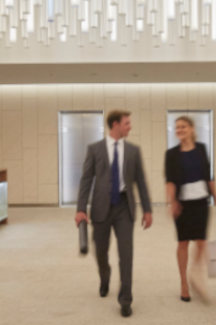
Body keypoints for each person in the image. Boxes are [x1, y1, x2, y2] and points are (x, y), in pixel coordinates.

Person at [75, 110, 153, 318]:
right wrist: (81, 209)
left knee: (126, 255)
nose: (130, 127)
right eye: (127, 123)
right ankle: (105, 275)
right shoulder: (95, 149)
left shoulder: (133, 151)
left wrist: (147, 209)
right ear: (115, 124)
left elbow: (141, 181)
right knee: (100, 251)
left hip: (124, 209)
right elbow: (86, 180)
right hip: (101, 208)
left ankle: (125, 299)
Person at [165, 116, 216, 302]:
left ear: (192, 128)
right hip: (182, 204)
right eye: (177, 128)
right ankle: (184, 283)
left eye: (183, 126)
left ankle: (194, 273)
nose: (179, 130)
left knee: (201, 242)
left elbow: (209, 176)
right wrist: (171, 202)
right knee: (183, 242)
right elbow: (170, 181)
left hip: (201, 202)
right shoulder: (171, 154)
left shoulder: (201, 149)